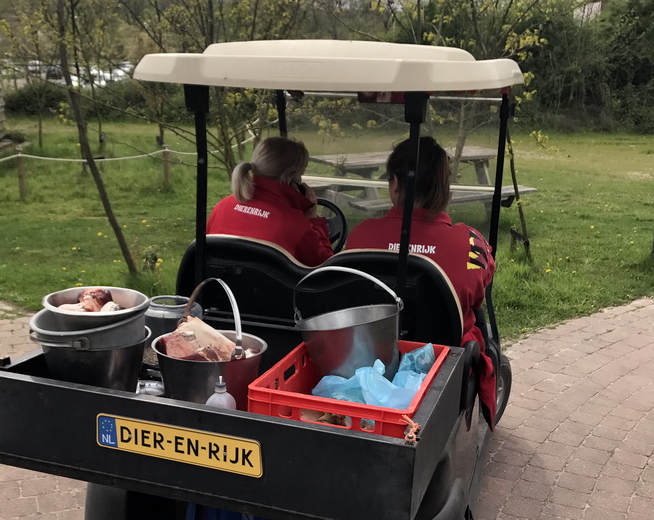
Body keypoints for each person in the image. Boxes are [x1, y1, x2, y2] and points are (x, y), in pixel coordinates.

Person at [346, 135, 498, 425]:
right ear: (444, 188)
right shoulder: (471, 243)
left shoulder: (360, 237)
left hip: (368, 356)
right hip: (444, 363)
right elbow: (478, 292)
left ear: (394, 185)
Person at [206, 136, 333, 266]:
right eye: (301, 174)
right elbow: (325, 268)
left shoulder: (222, 207)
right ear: (291, 177)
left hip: (220, 286)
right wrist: (314, 221)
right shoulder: (296, 224)